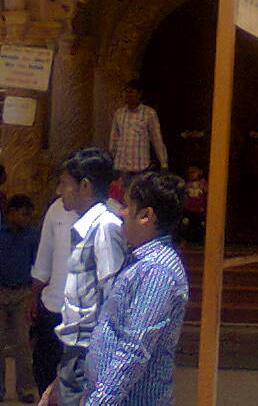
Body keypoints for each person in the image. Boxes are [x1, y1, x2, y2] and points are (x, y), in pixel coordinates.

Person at [78, 171, 188, 406]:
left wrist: (100, 402)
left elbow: (135, 348)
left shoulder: (157, 271)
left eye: (128, 206)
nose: (122, 212)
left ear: (146, 216)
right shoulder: (140, 262)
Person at [46, 147, 124, 406]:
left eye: (65, 184)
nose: (59, 191)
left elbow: (113, 297)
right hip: (74, 348)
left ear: (85, 186)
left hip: (88, 352)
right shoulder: (84, 227)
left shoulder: (104, 227)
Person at [0, 195, 40, 404]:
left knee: (23, 344)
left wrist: (35, 297)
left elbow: (38, 266)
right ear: (12, 213)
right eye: (23, 213)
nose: (26, 218)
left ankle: (25, 388)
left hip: (22, 294)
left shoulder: (32, 236)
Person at [28, 186, 78, 395]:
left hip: (87, 316)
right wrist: (33, 297)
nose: (58, 190)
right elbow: (43, 259)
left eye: (65, 183)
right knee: (44, 368)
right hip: (53, 306)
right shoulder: (56, 210)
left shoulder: (110, 216)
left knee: (77, 376)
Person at [106, 83, 166, 178]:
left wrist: (163, 163)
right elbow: (114, 139)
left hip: (141, 165)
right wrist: (110, 159)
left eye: (131, 92)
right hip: (122, 165)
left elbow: (157, 139)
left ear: (139, 94)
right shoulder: (119, 113)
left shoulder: (149, 113)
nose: (127, 95)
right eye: (125, 92)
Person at [180, 167, 206, 247]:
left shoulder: (203, 183)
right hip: (188, 209)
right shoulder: (186, 184)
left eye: (193, 172)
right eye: (189, 172)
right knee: (185, 224)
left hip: (200, 209)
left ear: (200, 172)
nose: (191, 174)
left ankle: (202, 241)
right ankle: (184, 240)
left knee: (201, 225)